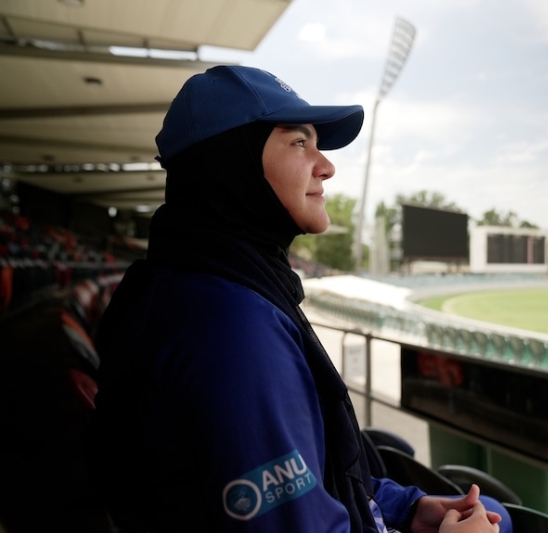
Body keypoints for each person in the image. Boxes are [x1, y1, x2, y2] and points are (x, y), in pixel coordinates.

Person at [87, 65, 509, 533]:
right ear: (233, 165)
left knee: (497, 515)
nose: (326, 165)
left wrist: (407, 509)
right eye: (299, 142)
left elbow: (321, 475)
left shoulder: (202, 284)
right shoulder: (229, 327)